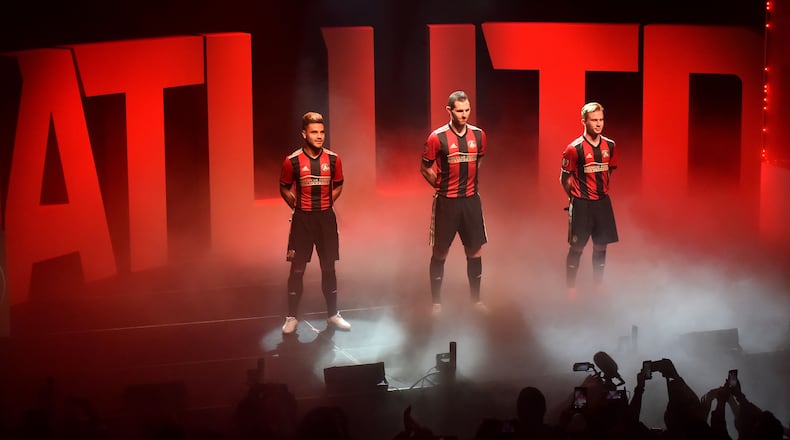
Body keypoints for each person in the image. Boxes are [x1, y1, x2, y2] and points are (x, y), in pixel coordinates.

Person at [279, 112, 351, 334]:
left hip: (326, 219)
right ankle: (291, 317)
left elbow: (339, 184)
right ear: (304, 134)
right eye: (314, 132)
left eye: (322, 132)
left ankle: (332, 315)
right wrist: (296, 206)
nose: (319, 136)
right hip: (303, 221)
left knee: (328, 267)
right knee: (298, 268)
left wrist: (328, 201)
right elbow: (284, 187)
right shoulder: (292, 161)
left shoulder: (333, 159)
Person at [420, 91, 488, 316]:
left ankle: (475, 301)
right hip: (446, 203)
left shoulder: (479, 135)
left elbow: (478, 161)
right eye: (459, 111)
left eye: (467, 110)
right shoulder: (437, 138)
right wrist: (440, 185)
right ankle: (436, 304)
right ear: (449, 110)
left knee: (475, 250)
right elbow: (424, 168)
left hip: (471, 201)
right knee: (440, 252)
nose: (464, 114)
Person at [560, 102, 619, 300]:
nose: (598, 124)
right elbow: (564, 178)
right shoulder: (573, 148)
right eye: (594, 120)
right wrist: (574, 197)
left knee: (601, 245)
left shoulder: (610, 145)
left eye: (601, 119)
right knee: (577, 247)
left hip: (602, 202)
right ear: (584, 121)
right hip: (582, 203)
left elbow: (609, 171)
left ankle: (598, 284)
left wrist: (600, 190)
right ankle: (570, 288)